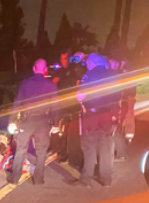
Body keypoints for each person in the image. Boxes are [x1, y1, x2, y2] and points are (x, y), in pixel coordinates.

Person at [71, 52, 121, 188]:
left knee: (89, 146)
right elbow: (118, 96)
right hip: (108, 115)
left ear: (91, 63)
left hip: (91, 116)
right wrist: (115, 114)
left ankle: (86, 179)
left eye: (88, 63)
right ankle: (106, 179)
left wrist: (78, 96)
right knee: (106, 146)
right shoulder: (113, 74)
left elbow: (81, 96)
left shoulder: (89, 75)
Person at [7, 58, 59, 185]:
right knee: (41, 151)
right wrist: (56, 124)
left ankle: (15, 178)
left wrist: (12, 121)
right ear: (45, 70)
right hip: (43, 122)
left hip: (27, 120)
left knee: (21, 149)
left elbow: (17, 102)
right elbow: (55, 105)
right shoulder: (51, 85)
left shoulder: (26, 83)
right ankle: (38, 179)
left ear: (34, 69)